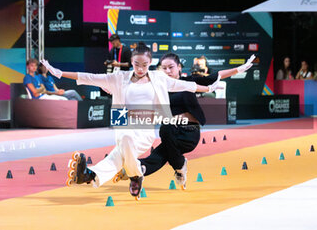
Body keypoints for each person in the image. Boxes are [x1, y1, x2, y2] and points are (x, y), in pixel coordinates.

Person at [41, 42, 223, 198]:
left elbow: (185, 85)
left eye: (145, 64)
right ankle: (90, 175)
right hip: (123, 126)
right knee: (119, 152)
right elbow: (91, 77)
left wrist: (208, 89)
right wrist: (59, 73)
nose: (141, 68)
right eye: (137, 64)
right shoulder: (119, 78)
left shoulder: (159, 78)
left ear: (150, 62)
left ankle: (132, 174)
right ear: (132, 62)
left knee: (125, 143)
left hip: (144, 131)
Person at [113, 53, 256, 189]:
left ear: (179, 67)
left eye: (171, 67)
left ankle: (176, 165)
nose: (168, 71)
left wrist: (239, 69)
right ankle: (141, 169)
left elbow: (215, 76)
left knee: (165, 140)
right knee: (162, 147)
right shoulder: (158, 88)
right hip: (171, 132)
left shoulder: (189, 82)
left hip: (190, 133)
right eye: (164, 68)